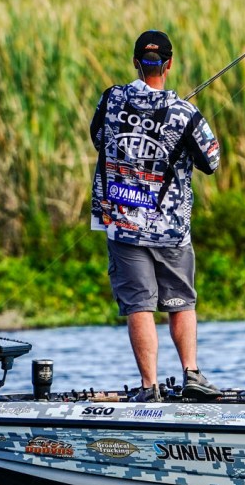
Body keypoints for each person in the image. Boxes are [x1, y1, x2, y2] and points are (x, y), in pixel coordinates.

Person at [89, 30, 221, 402]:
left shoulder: (111, 99)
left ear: (135, 62)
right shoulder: (185, 113)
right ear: (169, 64)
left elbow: (98, 139)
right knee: (181, 302)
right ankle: (191, 373)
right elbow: (211, 161)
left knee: (139, 305)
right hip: (171, 230)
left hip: (123, 226)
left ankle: (150, 388)